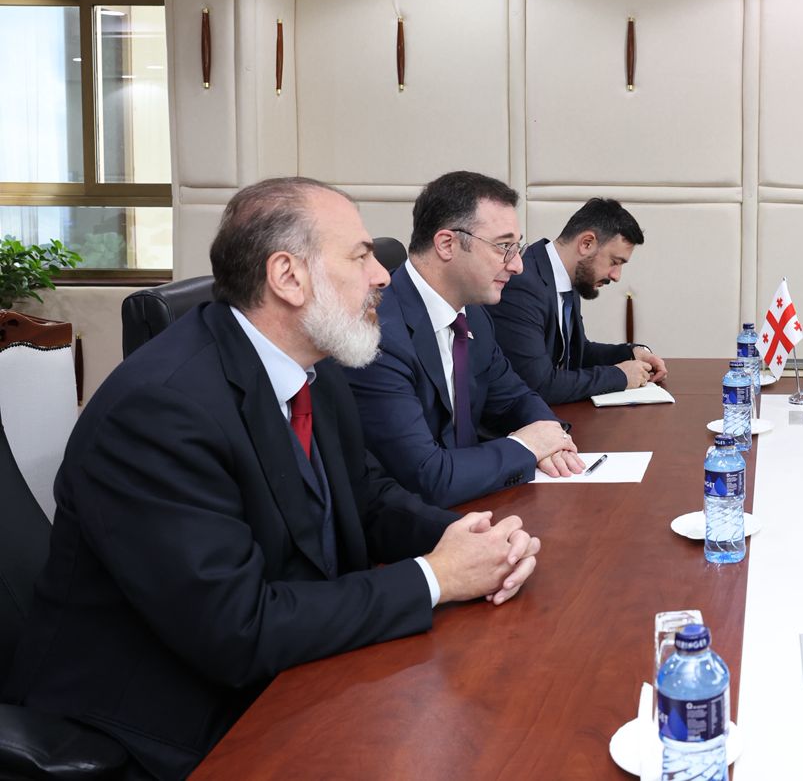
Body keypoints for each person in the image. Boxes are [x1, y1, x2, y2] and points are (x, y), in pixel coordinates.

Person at [4, 177, 540, 780]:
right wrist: (436, 577)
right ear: (288, 277)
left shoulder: (315, 365)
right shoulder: (159, 411)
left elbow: (368, 499)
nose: (383, 276)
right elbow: (238, 629)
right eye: (361, 257)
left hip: (286, 674)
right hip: (162, 729)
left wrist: (469, 540)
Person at [346, 171, 585, 507]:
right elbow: (427, 477)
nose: (517, 265)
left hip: (473, 501)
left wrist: (551, 436)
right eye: (504, 247)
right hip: (410, 523)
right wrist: (528, 446)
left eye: (517, 247)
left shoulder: (473, 314)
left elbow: (514, 397)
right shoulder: (378, 335)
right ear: (447, 244)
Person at [487, 197, 668, 404]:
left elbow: (577, 353)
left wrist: (631, 353)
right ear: (586, 243)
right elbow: (539, 385)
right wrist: (620, 376)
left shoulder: (565, 278)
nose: (616, 276)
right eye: (614, 262)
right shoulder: (522, 284)